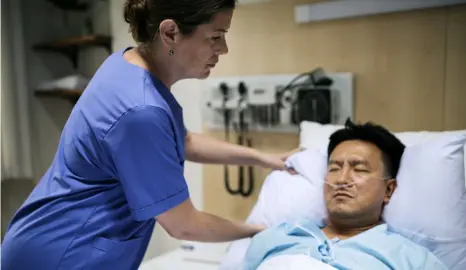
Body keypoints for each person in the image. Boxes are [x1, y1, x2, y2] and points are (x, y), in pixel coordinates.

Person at [1, 1, 298, 269]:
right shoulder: (141, 110)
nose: (223, 49)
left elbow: (183, 141)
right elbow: (184, 225)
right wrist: (257, 229)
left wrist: (266, 159)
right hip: (64, 254)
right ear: (170, 33)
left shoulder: (128, 63)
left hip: (49, 237)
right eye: (215, 36)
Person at [241, 120, 448, 270]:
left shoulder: (412, 259)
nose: (342, 179)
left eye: (359, 169)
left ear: (388, 190)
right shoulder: (275, 238)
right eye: (334, 168)